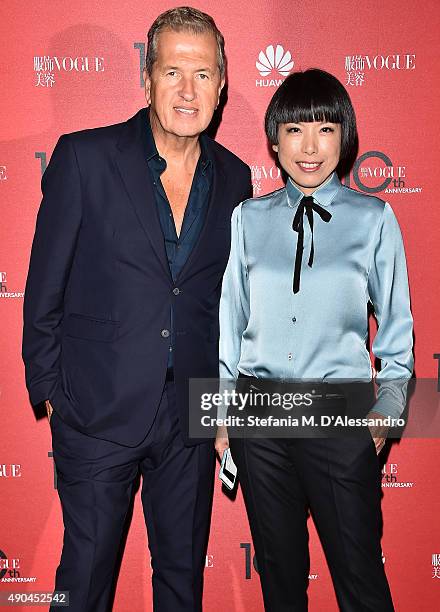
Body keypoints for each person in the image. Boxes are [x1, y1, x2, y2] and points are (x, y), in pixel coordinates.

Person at [22, 7, 251, 611]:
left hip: (192, 417)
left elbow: (223, 299)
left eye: (202, 74)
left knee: (182, 582)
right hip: (97, 410)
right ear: (145, 76)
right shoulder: (84, 158)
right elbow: (43, 287)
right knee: (84, 583)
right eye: (172, 71)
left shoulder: (236, 179)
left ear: (222, 84)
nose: (187, 90)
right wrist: (51, 390)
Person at [216, 69, 413, 611]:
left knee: (361, 581)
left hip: (338, 413)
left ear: (344, 139)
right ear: (274, 138)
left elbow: (397, 330)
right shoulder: (247, 219)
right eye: (296, 130)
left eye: (325, 129)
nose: (310, 147)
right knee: (280, 583)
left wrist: (384, 415)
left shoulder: (373, 218)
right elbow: (230, 322)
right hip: (261, 414)